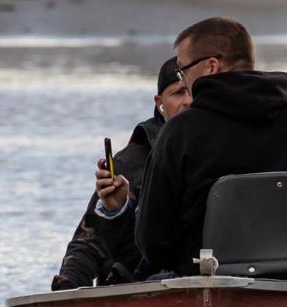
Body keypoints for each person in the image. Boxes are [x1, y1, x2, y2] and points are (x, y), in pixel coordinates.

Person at [135, 17, 287, 276]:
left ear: (211, 66)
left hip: (208, 287)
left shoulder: (180, 133)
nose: (183, 81)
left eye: (183, 69)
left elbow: (153, 242)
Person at [51, 57, 191, 290]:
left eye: (193, 91)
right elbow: (89, 243)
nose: (188, 101)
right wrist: (68, 288)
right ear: (160, 103)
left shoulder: (225, 148)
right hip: (143, 288)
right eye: (178, 93)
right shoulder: (130, 164)